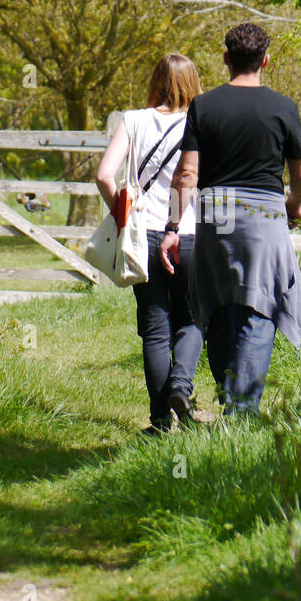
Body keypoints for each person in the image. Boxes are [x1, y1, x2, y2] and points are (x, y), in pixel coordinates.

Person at [160, 23, 301, 414]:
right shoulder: (283, 107)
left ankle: (229, 391)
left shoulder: (204, 106)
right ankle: (240, 410)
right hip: (264, 215)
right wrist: (293, 204)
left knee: (219, 301)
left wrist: (174, 227)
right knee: (259, 305)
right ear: (266, 60)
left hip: (217, 213)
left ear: (226, 58)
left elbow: (187, 175)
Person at [96, 53, 202, 435]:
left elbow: (105, 175)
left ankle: (159, 423)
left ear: (156, 80)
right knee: (192, 319)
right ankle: (181, 386)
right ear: (192, 83)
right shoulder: (200, 121)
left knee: (155, 330)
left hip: (144, 236)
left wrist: (122, 215)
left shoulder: (133, 120)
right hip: (188, 233)